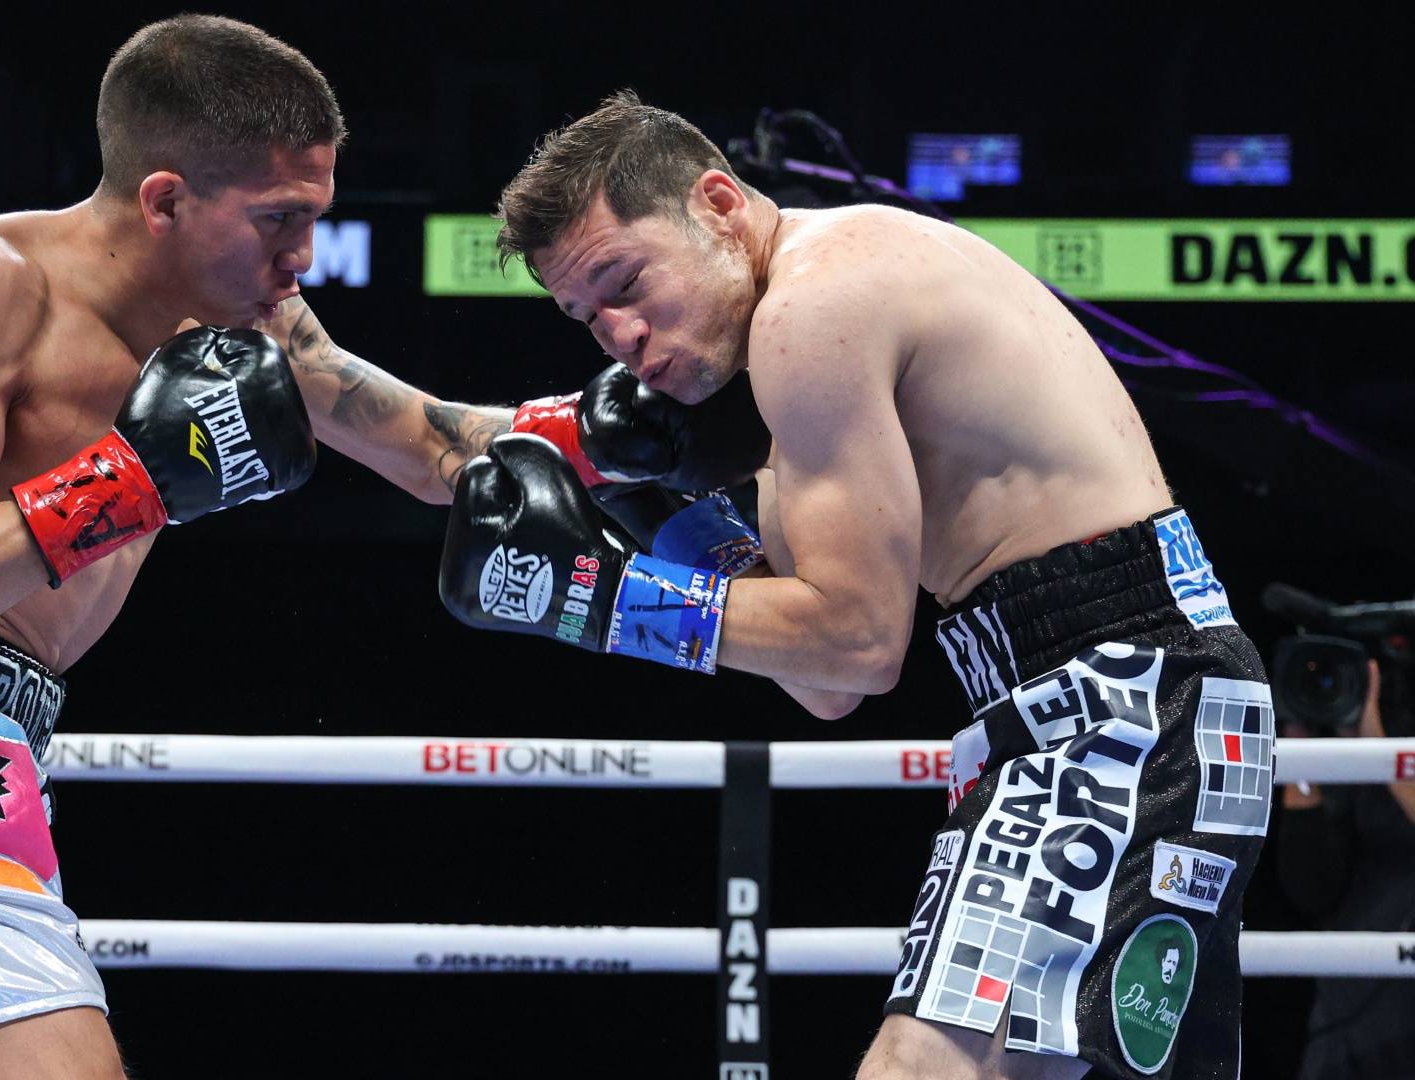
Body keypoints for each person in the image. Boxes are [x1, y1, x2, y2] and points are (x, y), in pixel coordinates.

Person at [0, 16, 699, 1080]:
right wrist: (135, 477)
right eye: (278, 219)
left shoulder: (255, 324)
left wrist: (605, 436)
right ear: (164, 201)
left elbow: (431, 447)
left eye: (315, 218)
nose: (303, 256)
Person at [434, 91, 1271, 1079]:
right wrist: (670, 525)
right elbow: (822, 685)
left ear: (717, 204)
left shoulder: (812, 309)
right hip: (1139, 688)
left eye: (625, 281)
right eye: (586, 316)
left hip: (1118, 699)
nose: (618, 332)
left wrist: (597, 598)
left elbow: (860, 646)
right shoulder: (822, 312)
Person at [1276, 657, 1415, 1079]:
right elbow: (1309, 887)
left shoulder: (1383, 752)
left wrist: (1378, 748)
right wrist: (1301, 749)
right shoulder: (1349, 764)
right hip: (1348, 1021)